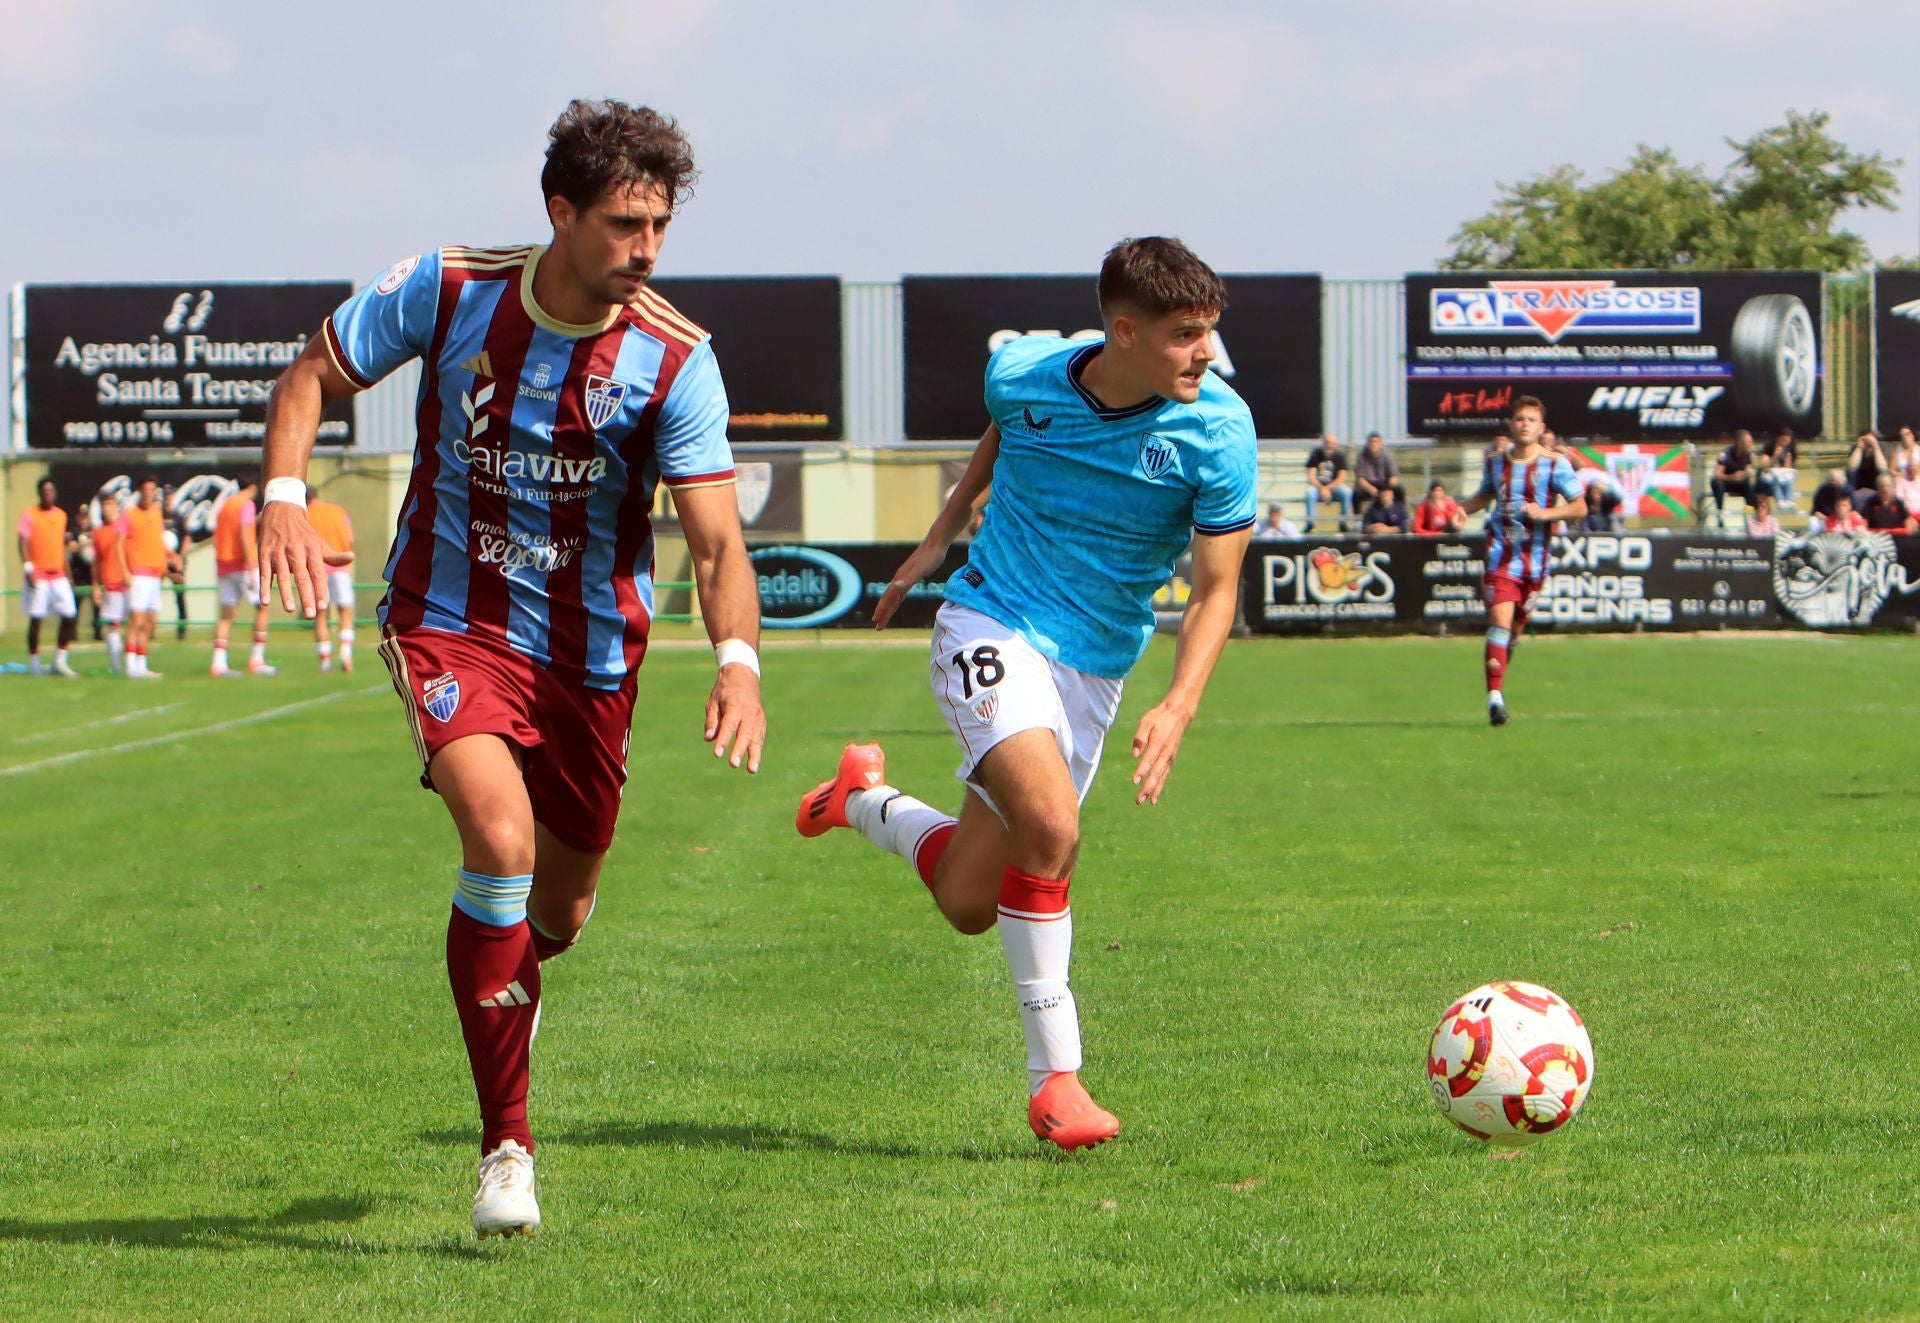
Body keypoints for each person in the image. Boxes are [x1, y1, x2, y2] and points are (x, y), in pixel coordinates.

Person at [255, 99, 766, 1239]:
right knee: (498, 840)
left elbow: (719, 541)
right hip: (448, 620)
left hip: (591, 658)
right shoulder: (444, 288)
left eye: (662, 228)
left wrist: (738, 662)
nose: (647, 250)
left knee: (563, 907)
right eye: (627, 224)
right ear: (561, 212)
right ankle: (507, 1147)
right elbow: (307, 380)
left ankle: (499, 980)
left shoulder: (676, 357)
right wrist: (284, 497)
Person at [796, 237, 1254, 1153]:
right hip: (990, 621)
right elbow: (1006, 429)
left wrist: (1179, 701)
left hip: (1094, 665)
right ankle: (1059, 1083)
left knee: (972, 899)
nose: (1207, 352)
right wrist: (940, 536)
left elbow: (1214, 589)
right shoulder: (1022, 370)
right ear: (1124, 332)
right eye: (1185, 334)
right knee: (1050, 827)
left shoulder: (1219, 429)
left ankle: (862, 798)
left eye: (1210, 331)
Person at [1460, 396, 1586, 727]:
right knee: (1500, 622)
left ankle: (1499, 671)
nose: (1525, 424)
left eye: (1531, 419)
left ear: (1541, 427)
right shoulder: (1495, 463)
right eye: (1519, 419)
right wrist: (1462, 510)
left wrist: (1547, 513)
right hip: (1500, 558)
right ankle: (1495, 701)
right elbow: (1484, 495)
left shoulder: (1556, 464)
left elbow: (1579, 507)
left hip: (1536, 563)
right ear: (1511, 425)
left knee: (1514, 632)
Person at [209, 479, 277, 677]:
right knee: (263, 607)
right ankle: (257, 659)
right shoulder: (245, 504)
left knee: (226, 615)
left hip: (224, 562)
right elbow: (243, 534)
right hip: (241, 563)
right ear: (254, 487)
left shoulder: (226, 505)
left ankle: (218, 663)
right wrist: (252, 564)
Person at [17, 479, 78, 677]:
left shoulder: (60, 516)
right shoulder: (30, 514)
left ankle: (59, 661)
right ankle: (34, 663)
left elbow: (59, 546)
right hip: (39, 574)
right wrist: (28, 568)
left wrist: (67, 572)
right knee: (37, 619)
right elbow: (23, 541)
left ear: (55, 493)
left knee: (69, 614)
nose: (48, 494)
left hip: (57, 573)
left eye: (51, 490)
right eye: (44, 490)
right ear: (39, 493)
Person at [121, 477, 176, 678]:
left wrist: (171, 556)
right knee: (136, 619)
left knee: (150, 621)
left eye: (152, 489)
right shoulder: (130, 514)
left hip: (155, 575)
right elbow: (120, 544)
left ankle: (141, 664)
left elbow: (158, 541)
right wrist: (126, 571)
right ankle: (130, 665)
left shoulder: (156, 513)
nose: (149, 493)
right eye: (146, 489)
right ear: (140, 491)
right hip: (138, 574)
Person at [306, 486, 357, 672]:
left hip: (316, 568)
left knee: (320, 615)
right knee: (345, 612)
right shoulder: (337, 511)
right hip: (339, 566)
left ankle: (325, 661)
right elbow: (349, 539)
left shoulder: (305, 515)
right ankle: (345, 652)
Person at [91, 493, 129, 674]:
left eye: (110, 504)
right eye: (104, 505)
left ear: (116, 506)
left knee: (138, 624)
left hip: (130, 583)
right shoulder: (98, 533)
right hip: (112, 585)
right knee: (113, 626)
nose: (107, 508)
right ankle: (116, 666)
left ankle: (134, 663)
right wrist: (95, 586)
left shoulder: (126, 528)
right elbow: (96, 561)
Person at [1302, 433, 1352, 532]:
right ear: (1323, 443)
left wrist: (1328, 488)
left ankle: (1343, 523)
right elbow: (1311, 477)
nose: (1330, 446)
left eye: (1332, 443)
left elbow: (1342, 477)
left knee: (1347, 492)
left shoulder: (1340, 456)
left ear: (1336, 445)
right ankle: (1311, 524)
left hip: (1334, 488)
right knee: (1309, 493)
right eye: (1328, 443)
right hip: (1318, 487)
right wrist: (1322, 489)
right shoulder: (1315, 454)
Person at [1710, 430, 1757, 525]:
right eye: (1748, 442)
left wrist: (1746, 473)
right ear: (1740, 443)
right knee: (1716, 482)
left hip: (1740, 483)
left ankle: (1749, 512)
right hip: (1726, 482)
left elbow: (1749, 469)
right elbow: (1717, 474)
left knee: (1752, 485)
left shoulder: (1749, 455)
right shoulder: (1726, 454)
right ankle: (1720, 513)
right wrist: (1732, 476)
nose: (1751, 444)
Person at [1354, 432, 1400, 505]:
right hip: (1368, 484)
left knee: (1400, 491)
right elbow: (1360, 478)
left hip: (1384, 484)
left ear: (1380, 443)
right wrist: (1371, 489)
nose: (1373, 444)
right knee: (1356, 494)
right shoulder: (1362, 456)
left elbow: (1394, 475)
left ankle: (1399, 514)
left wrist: (1388, 489)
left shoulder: (1387, 456)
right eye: (1371, 442)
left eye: (1376, 442)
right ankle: (1356, 516)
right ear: (1368, 443)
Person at [1759, 428, 1799, 506]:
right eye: (1783, 440)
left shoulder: (1789, 451)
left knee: (1789, 480)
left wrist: (1787, 464)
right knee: (1775, 477)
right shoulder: (1769, 448)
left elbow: (1787, 471)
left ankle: (1788, 500)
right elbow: (1765, 467)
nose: (1784, 444)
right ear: (1778, 438)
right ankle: (1779, 500)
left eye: (1787, 441)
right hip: (1767, 478)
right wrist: (1774, 456)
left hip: (1782, 478)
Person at [1847, 431, 1885, 505]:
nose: (1868, 444)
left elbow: (1883, 469)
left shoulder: (1878, 451)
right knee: (1851, 471)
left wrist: (1875, 446)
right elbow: (1851, 467)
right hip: (1857, 486)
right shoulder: (1856, 449)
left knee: (1883, 473)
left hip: (1875, 486)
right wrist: (1860, 446)